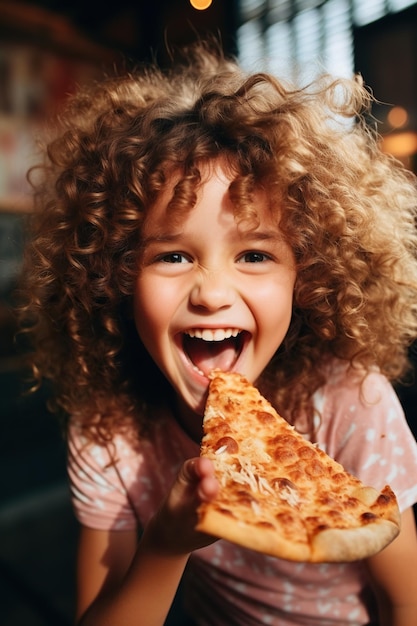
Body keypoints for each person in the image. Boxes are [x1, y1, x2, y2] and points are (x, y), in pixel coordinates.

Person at [18, 40, 417, 626]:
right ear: (114, 276)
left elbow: (405, 598)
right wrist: (167, 543)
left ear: (307, 275)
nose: (211, 292)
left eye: (254, 255)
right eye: (173, 257)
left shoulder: (349, 403)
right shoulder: (112, 431)